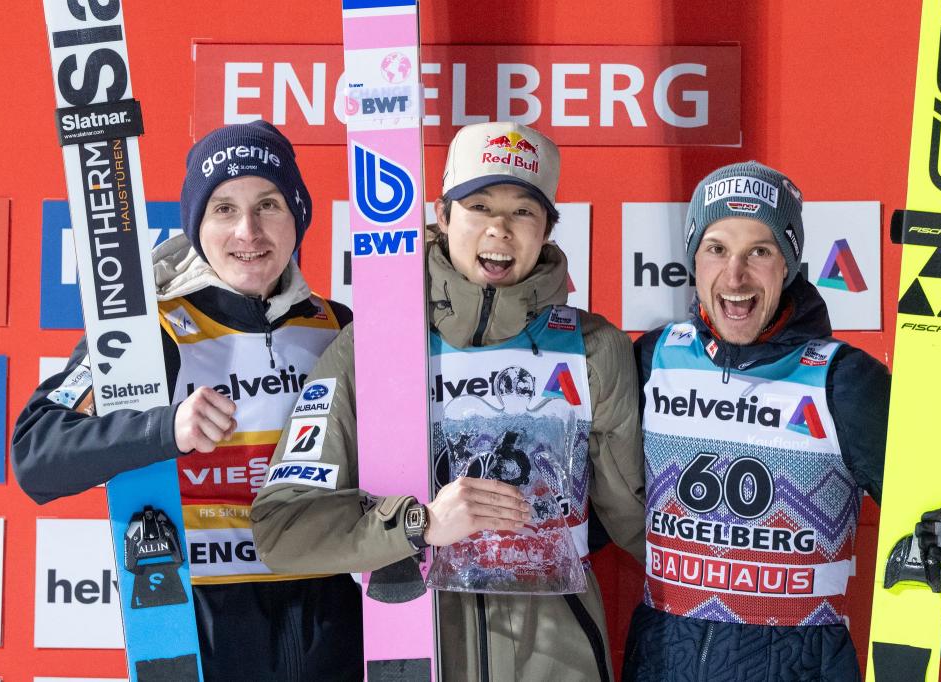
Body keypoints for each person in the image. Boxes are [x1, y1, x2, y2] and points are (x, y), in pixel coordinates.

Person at [251, 121, 646, 680]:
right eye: (479, 205)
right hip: (412, 647)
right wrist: (417, 525)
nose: (500, 229)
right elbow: (282, 530)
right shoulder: (377, 345)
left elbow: (641, 524)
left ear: (548, 229)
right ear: (442, 215)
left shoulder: (593, 347)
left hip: (561, 658)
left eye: (523, 211)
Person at [12, 121, 361, 681]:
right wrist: (164, 429)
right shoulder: (150, 330)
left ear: (298, 216)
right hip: (203, 621)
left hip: (328, 615)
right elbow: (37, 456)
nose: (248, 230)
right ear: (197, 223)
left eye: (268, 204)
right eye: (223, 208)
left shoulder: (336, 325)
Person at [624, 161, 941, 681]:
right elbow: (596, 498)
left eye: (760, 251)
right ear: (694, 259)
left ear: (789, 263)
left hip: (797, 664)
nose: (735, 275)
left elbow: (931, 513)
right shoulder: (654, 358)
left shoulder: (845, 380)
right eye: (717, 248)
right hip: (661, 659)